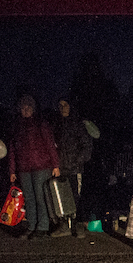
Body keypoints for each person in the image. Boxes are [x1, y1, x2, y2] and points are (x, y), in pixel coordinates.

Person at [7, 95, 59, 238]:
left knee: (40, 197)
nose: (25, 110)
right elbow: (12, 149)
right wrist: (12, 170)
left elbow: (50, 143)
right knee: (29, 198)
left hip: (41, 166)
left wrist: (55, 165)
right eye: (23, 107)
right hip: (24, 168)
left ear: (33, 108)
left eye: (28, 107)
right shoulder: (16, 126)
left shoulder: (40, 123)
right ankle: (31, 225)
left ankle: (42, 226)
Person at [52, 97, 94, 238]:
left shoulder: (77, 124)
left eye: (65, 105)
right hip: (60, 168)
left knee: (76, 197)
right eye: (60, 105)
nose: (62, 108)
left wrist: (77, 162)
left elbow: (87, 146)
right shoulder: (57, 124)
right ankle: (64, 226)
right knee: (61, 198)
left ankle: (78, 225)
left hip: (75, 168)